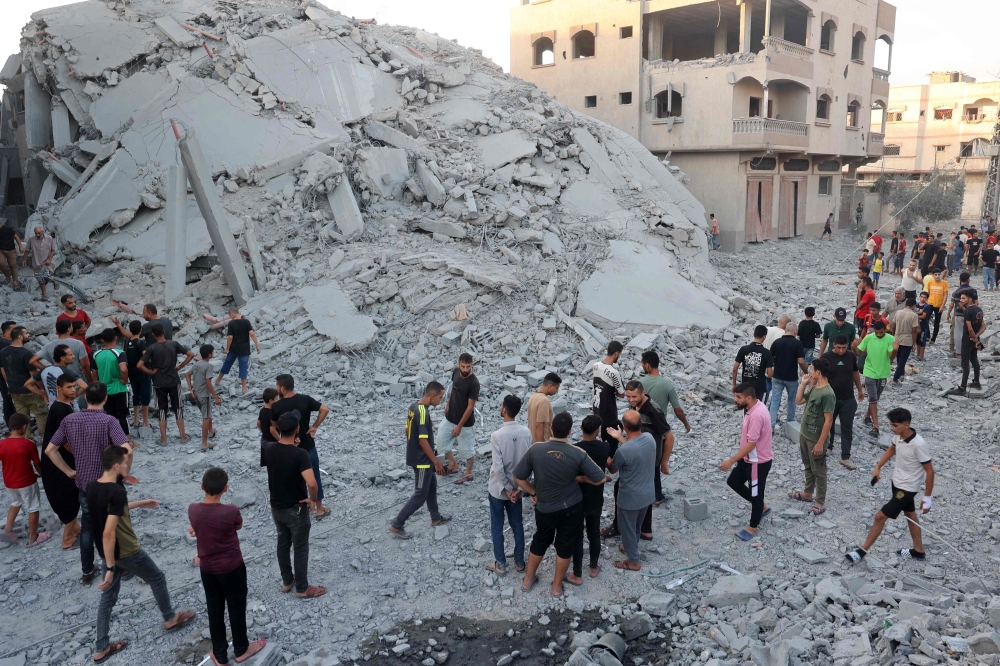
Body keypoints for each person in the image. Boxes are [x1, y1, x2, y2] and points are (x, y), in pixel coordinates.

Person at [88, 445, 195, 662]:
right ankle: (170, 618)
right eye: (125, 464)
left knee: (107, 598)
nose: (128, 467)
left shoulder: (92, 487)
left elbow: (115, 511)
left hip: (105, 550)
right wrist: (109, 567)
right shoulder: (117, 491)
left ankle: (101, 647)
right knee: (157, 577)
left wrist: (142, 503)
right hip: (126, 550)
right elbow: (109, 532)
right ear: (117, 465)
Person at [45, 382, 131, 584]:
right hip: (109, 482)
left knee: (87, 526)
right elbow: (127, 449)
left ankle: (86, 571)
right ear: (105, 399)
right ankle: (122, 568)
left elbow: (50, 449)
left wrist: (68, 471)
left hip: (85, 484)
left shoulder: (69, 420)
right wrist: (125, 471)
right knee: (117, 524)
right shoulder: (109, 421)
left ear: (84, 399)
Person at [514, 412, 609, 595]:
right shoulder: (577, 453)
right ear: (571, 430)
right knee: (565, 545)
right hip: (570, 508)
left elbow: (518, 476)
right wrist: (580, 478)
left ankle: (527, 580)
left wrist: (534, 492)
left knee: (540, 540)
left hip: (544, 507)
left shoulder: (536, 449)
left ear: (551, 429)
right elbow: (600, 478)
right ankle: (557, 586)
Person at [188, 467, 266, 666]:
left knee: (214, 609)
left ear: (202, 487)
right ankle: (241, 649)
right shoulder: (231, 511)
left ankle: (220, 654)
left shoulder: (193, 509)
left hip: (208, 570)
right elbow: (237, 526)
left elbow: (197, 526)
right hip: (232, 567)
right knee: (236, 607)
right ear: (226, 489)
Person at [846, 408, 933, 564]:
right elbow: (892, 449)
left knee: (880, 517)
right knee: (910, 515)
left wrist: (927, 498)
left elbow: (930, 471)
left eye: (895, 425)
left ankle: (862, 551)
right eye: (890, 425)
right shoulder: (898, 437)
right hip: (897, 483)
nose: (891, 428)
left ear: (906, 425)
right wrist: (878, 467)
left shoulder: (918, 445)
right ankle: (918, 550)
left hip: (907, 489)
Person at [259, 412, 324, 598]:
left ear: (279, 429)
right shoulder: (300, 454)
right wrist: (312, 499)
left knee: (282, 543)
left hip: (276, 507)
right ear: (297, 429)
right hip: (295, 508)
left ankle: (287, 581)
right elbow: (311, 483)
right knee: (301, 547)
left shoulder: (270, 448)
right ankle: (302, 588)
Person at [603, 381, 672, 539]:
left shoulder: (653, 411)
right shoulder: (634, 408)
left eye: (634, 396)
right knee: (645, 492)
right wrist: (621, 438)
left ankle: (622, 526)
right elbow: (635, 439)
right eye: (628, 396)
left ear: (643, 393)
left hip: (649, 459)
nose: (631, 400)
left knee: (624, 488)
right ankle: (644, 530)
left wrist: (664, 462)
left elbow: (669, 437)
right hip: (638, 455)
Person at [389, 382, 450, 540]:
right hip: (422, 460)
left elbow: (407, 430)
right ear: (431, 396)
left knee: (431, 486)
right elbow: (423, 441)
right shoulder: (423, 412)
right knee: (420, 495)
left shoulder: (413, 405)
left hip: (420, 457)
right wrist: (435, 461)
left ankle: (436, 517)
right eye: (440, 397)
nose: (441, 400)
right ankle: (397, 524)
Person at [269, 374, 331, 519]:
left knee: (292, 479)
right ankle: (320, 509)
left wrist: (281, 438)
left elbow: (273, 426)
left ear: (282, 388)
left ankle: (297, 509)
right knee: (314, 476)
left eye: (277, 386)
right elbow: (325, 409)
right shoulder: (305, 399)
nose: (277, 388)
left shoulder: (276, 406)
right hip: (308, 446)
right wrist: (314, 426)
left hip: (288, 449)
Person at [485, 394, 532, 576]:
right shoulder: (526, 432)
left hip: (498, 490)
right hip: (518, 488)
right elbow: (528, 463)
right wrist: (518, 490)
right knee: (517, 524)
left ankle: (501, 564)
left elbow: (498, 467)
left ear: (504, 409)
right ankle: (519, 562)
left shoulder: (497, 435)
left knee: (497, 526)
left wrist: (506, 489)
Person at [605, 410, 656, 572]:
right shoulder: (649, 439)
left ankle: (633, 561)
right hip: (647, 494)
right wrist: (621, 438)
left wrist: (605, 454)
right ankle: (631, 548)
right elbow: (635, 450)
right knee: (636, 527)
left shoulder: (624, 451)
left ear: (624, 427)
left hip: (630, 498)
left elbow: (613, 469)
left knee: (626, 528)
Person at [721, 383, 773, 541]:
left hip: (757, 463)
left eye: (738, 397)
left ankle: (753, 528)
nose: (735, 400)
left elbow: (752, 444)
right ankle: (762, 507)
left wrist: (731, 460)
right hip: (747, 459)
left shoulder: (756, 415)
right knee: (733, 481)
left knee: (756, 494)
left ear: (749, 398)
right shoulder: (754, 407)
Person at [39, 374, 81, 549]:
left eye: (74, 387)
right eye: (69, 387)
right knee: (69, 496)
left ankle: (75, 528)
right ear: (58, 388)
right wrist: (81, 455)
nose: (72, 390)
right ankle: (67, 539)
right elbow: (64, 441)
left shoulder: (63, 406)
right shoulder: (60, 409)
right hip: (58, 462)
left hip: (59, 459)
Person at [790, 358, 836, 516]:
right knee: (809, 466)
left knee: (819, 470)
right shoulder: (816, 387)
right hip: (805, 435)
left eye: (812, 369)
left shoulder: (828, 393)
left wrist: (820, 443)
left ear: (818, 372)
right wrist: (803, 384)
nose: (809, 372)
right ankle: (808, 493)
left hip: (816, 439)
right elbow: (798, 400)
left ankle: (820, 502)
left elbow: (829, 420)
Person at [138, 323, 194, 445]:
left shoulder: (151, 348)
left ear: (153, 334)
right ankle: (183, 436)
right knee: (178, 408)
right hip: (174, 380)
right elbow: (191, 354)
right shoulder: (173, 344)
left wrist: (151, 372)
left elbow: (139, 365)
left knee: (162, 410)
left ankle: (163, 439)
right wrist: (180, 366)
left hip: (158, 382)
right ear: (164, 331)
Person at [0, 413, 49, 546]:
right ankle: (33, 538)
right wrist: (43, 475)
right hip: (26, 482)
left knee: (16, 501)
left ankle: (8, 529)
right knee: (33, 507)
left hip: (9, 482)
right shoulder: (28, 444)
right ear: (24, 427)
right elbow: (36, 463)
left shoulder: (2, 444)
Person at [572, 415, 609, 580]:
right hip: (595, 498)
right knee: (594, 533)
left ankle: (577, 571)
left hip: (577, 498)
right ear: (598, 431)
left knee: (577, 535)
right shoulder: (604, 448)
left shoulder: (575, 449)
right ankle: (593, 567)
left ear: (580, 428)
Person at [821, 336, 864, 469]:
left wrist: (860, 390)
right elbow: (821, 377)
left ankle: (845, 456)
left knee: (847, 427)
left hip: (848, 398)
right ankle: (828, 446)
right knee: (829, 423)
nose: (841, 351)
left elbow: (855, 373)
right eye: (838, 348)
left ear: (847, 346)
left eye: (844, 348)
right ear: (834, 344)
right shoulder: (826, 357)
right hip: (831, 398)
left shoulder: (851, 356)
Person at [438, 353, 480, 484]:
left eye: (468, 366)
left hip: (466, 424)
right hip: (450, 417)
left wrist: (459, 426)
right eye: (463, 366)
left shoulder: (474, 383)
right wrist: (448, 404)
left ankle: (468, 472)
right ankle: (453, 464)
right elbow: (453, 389)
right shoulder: (456, 372)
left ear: (471, 365)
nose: (465, 369)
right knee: (440, 442)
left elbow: (470, 407)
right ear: (459, 364)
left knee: (466, 450)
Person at [0, 326, 47, 440]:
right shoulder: (26, 353)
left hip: (14, 390)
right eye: (26, 333)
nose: (29, 335)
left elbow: (3, 370)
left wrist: (9, 383)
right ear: (20, 336)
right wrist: (43, 391)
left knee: (22, 417)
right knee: (41, 414)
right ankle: (45, 438)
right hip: (30, 391)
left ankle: (26, 441)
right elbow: (34, 375)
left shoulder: (3, 351)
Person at [853, 320, 895, 439]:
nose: (879, 335)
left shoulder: (890, 339)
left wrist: (895, 350)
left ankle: (867, 417)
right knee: (873, 399)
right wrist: (853, 347)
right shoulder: (868, 338)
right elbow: (859, 353)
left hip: (883, 374)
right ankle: (876, 427)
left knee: (875, 399)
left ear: (885, 330)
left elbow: (891, 359)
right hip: (869, 373)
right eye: (877, 332)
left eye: (881, 332)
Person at [639, 351, 691, 437]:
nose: (642, 366)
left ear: (647, 365)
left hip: (641, 426)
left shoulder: (639, 383)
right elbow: (678, 410)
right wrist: (686, 424)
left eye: (643, 364)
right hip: (659, 427)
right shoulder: (668, 385)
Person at [768, 322, 808, 429]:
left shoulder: (777, 342)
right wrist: (806, 371)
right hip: (791, 377)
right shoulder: (797, 343)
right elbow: (800, 361)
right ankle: (790, 422)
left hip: (777, 376)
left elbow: (770, 358)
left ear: (785, 330)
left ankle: (771, 425)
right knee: (791, 400)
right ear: (795, 332)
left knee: (775, 401)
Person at [946, 290, 984, 396]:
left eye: (963, 298)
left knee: (965, 364)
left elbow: (970, 329)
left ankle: (962, 388)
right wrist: (977, 338)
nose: (961, 300)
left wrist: (973, 338)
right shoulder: (978, 310)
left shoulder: (967, 312)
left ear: (970, 299)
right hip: (974, 339)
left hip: (967, 340)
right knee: (974, 360)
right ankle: (976, 382)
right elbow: (983, 326)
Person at [215, 307, 260, 395]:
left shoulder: (231, 323)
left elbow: (230, 337)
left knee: (227, 364)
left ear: (232, 313)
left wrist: (227, 348)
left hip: (234, 349)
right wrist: (257, 345)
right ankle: (244, 388)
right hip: (245, 349)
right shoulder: (246, 321)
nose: (230, 317)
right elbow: (252, 334)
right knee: (243, 367)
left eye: (229, 315)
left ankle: (217, 381)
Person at [94, 328, 130, 436]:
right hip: (119, 388)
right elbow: (123, 369)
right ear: (116, 338)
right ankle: (127, 441)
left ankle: (113, 440)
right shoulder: (119, 353)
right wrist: (125, 380)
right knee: (123, 416)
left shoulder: (96, 354)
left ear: (102, 340)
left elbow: (94, 373)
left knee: (110, 417)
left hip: (104, 390)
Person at [186, 345, 221, 452]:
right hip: (204, 395)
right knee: (206, 418)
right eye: (212, 352)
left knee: (207, 413)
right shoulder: (209, 366)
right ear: (209, 354)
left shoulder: (197, 364)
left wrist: (191, 389)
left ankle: (211, 432)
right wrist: (215, 396)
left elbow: (187, 374)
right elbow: (208, 382)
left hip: (196, 394)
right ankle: (204, 443)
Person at [593, 341, 625, 453]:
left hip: (597, 408)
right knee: (612, 439)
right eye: (619, 354)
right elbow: (621, 393)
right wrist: (615, 393)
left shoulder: (595, 365)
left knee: (603, 432)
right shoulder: (614, 372)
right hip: (609, 412)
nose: (619, 357)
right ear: (616, 353)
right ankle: (610, 462)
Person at [732, 325, 773, 401]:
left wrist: (734, 385)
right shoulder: (767, 353)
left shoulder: (743, 349)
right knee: (759, 410)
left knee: (747, 410)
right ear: (764, 337)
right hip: (760, 388)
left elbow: (735, 368)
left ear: (754, 335)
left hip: (746, 387)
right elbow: (769, 374)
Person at [122, 320, 151, 428]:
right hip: (142, 373)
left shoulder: (126, 341)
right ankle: (146, 421)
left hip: (131, 373)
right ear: (140, 330)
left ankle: (136, 420)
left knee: (136, 394)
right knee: (145, 396)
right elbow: (145, 355)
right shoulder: (141, 342)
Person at [891, 299, 921, 386]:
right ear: (913, 306)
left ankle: (902, 374)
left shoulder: (898, 312)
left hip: (897, 338)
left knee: (899, 358)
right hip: (907, 339)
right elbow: (914, 330)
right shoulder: (914, 315)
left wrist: (893, 336)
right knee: (903, 360)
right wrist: (914, 343)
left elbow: (893, 325)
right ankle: (895, 378)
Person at [22, 226, 56, 300]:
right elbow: (27, 250)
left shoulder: (49, 238)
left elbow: (53, 250)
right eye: (36, 233)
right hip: (37, 263)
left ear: (43, 231)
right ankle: (44, 295)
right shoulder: (31, 240)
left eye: (39, 233)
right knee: (40, 279)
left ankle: (54, 281)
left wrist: (49, 259)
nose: (37, 235)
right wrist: (24, 258)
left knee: (49, 276)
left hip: (48, 263)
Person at [947, 272, 975, 359]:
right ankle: (970, 352)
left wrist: (948, 313)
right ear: (968, 280)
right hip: (972, 314)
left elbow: (955, 304)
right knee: (970, 332)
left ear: (960, 279)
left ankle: (958, 353)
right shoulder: (973, 290)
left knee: (958, 333)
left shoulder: (957, 291)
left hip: (959, 314)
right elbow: (976, 303)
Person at [527, 373, 561, 444]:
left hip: (532, 442)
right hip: (543, 443)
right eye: (556, 388)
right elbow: (539, 425)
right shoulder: (544, 401)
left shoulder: (533, 396)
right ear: (550, 386)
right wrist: (540, 446)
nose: (557, 391)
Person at [922, 268, 948, 343]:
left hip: (939, 305)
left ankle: (933, 339)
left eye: (939, 274)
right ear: (932, 275)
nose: (937, 276)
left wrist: (943, 306)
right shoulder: (930, 282)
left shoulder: (944, 283)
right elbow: (928, 293)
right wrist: (926, 302)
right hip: (930, 304)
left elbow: (946, 295)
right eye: (935, 275)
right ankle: (927, 336)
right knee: (926, 320)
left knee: (936, 322)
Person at [0, 217, 24, 291]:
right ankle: (8, 276)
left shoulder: (8, 229)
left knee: (12, 265)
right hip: (1, 250)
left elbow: (16, 237)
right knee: (1, 263)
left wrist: (20, 246)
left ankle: (15, 281)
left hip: (11, 250)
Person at [0, 321, 16, 425]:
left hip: (5, 377)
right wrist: (8, 381)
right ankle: (13, 424)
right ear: (7, 331)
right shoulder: (6, 344)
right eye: (14, 329)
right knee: (10, 400)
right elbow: (3, 365)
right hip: (7, 377)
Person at [916, 291, 932, 361]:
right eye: (921, 297)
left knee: (923, 340)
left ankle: (921, 355)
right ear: (919, 297)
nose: (922, 298)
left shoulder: (927, 306)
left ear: (927, 298)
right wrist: (919, 312)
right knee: (917, 340)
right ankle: (918, 354)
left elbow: (923, 316)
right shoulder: (916, 304)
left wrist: (915, 315)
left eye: (924, 297)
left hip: (923, 325)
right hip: (916, 325)